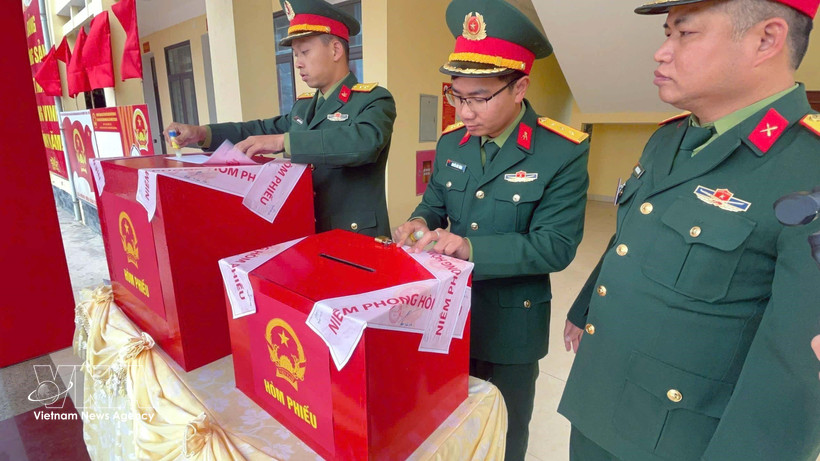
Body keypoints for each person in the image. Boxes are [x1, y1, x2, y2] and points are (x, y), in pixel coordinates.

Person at [558, 0, 820, 459]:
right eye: (666, 33)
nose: (661, 52)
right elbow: (633, 235)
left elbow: (795, 372)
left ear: (767, 39)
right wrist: (584, 307)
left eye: (685, 34)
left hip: (679, 437)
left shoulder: (807, 166)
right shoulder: (671, 136)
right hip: (600, 400)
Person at [393, 1, 590, 458]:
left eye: (479, 97)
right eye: (456, 95)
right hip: (445, 314)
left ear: (519, 86)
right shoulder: (451, 144)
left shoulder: (560, 152)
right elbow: (434, 203)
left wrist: (467, 247)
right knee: (446, 424)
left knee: (504, 432)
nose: (464, 111)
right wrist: (420, 221)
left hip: (511, 325)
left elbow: (555, 247)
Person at [165, 0, 396, 237]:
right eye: (295, 54)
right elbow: (258, 131)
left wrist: (283, 142)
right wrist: (203, 133)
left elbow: (363, 143)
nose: (297, 63)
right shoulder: (304, 107)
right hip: (307, 233)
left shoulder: (374, 100)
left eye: (305, 52)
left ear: (336, 50)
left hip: (356, 238)